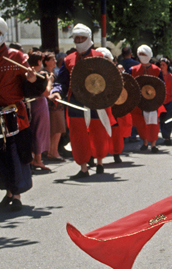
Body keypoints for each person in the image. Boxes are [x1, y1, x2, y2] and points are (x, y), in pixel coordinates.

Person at [49, 23, 115, 178]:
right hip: (76, 103)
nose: (79, 40)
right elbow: (61, 82)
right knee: (78, 136)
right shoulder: (68, 60)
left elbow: (110, 80)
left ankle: (99, 162)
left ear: (89, 38)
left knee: (98, 133)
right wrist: (57, 92)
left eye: (82, 38)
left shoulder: (100, 57)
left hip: (97, 102)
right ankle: (83, 167)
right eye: (76, 38)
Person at [0, 17, 45, 211]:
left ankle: (16, 194)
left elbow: (32, 86)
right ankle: (9, 191)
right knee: (1, 155)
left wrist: (32, 78)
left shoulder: (16, 56)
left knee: (15, 153)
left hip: (13, 113)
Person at [96, 47, 132, 162]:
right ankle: (93, 156)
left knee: (115, 129)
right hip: (97, 103)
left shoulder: (115, 72)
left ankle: (116, 153)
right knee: (95, 130)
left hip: (113, 103)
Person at [127, 44, 162, 151]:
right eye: (141, 54)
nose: (142, 56)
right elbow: (129, 84)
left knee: (153, 123)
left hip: (153, 101)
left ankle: (154, 144)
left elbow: (161, 86)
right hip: (138, 101)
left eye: (144, 54)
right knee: (141, 124)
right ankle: (145, 142)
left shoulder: (157, 70)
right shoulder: (132, 69)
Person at [27, 50, 52, 171]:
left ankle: (33, 158)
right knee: (40, 131)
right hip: (40, 103)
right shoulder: (41, 75)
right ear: (39, 61)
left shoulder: (26, 74)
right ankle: (38, 159)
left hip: (29, 103)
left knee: (32, 130)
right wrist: (50, 82)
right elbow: (46, 93)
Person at [43, 52, 66, 162]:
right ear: (46, 62)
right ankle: (53, 152)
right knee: (56, 129)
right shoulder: (45, 74)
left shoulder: (54, 72)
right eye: (52, 60)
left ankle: (53, 150)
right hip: (52, 104)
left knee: (57, 129)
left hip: (56, 104)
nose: (55, 61)